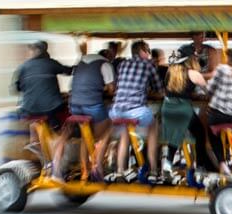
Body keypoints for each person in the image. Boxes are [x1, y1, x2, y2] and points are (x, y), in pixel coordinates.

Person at [107, 40, 164, 183]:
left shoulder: (122, 64)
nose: (149, 54)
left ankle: (120, 170)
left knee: (125, 131)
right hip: (136, 110)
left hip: (116, 110)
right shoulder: (149, 65)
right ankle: (153, 170)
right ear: (142, 51)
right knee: (153, 125)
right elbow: (159, 88)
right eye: (148, 51)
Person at [53, 52, 116, 181]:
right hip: (92, 105)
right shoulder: (105, 64)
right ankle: (97, 168)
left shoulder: (81, 63)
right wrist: (102, 88)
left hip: (74, 105)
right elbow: (112, 89)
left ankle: (85, 170)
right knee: (109, 129)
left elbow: (73, 86)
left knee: (85, 135)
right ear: (109, 56)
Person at [161, 56, 213, 181]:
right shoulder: (193, 73)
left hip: (167, 107)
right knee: (200, 133)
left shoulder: (171, 71)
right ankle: (200, 167)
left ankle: (167, 164)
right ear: (192, 61)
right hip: (183, 107)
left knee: (176, 134)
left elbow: (167, 91)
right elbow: (208, 92)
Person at [10, 40, 73, 141]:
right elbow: (69, 71)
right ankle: (58, 134)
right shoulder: (51, 63)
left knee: (36, 119)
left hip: (28, 109)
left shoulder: (23, 66)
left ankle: (35, 142)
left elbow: (14, 89)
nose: (31, 52)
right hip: (50, 109)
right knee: (67, 110)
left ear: (36, 51)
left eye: (32, 49)